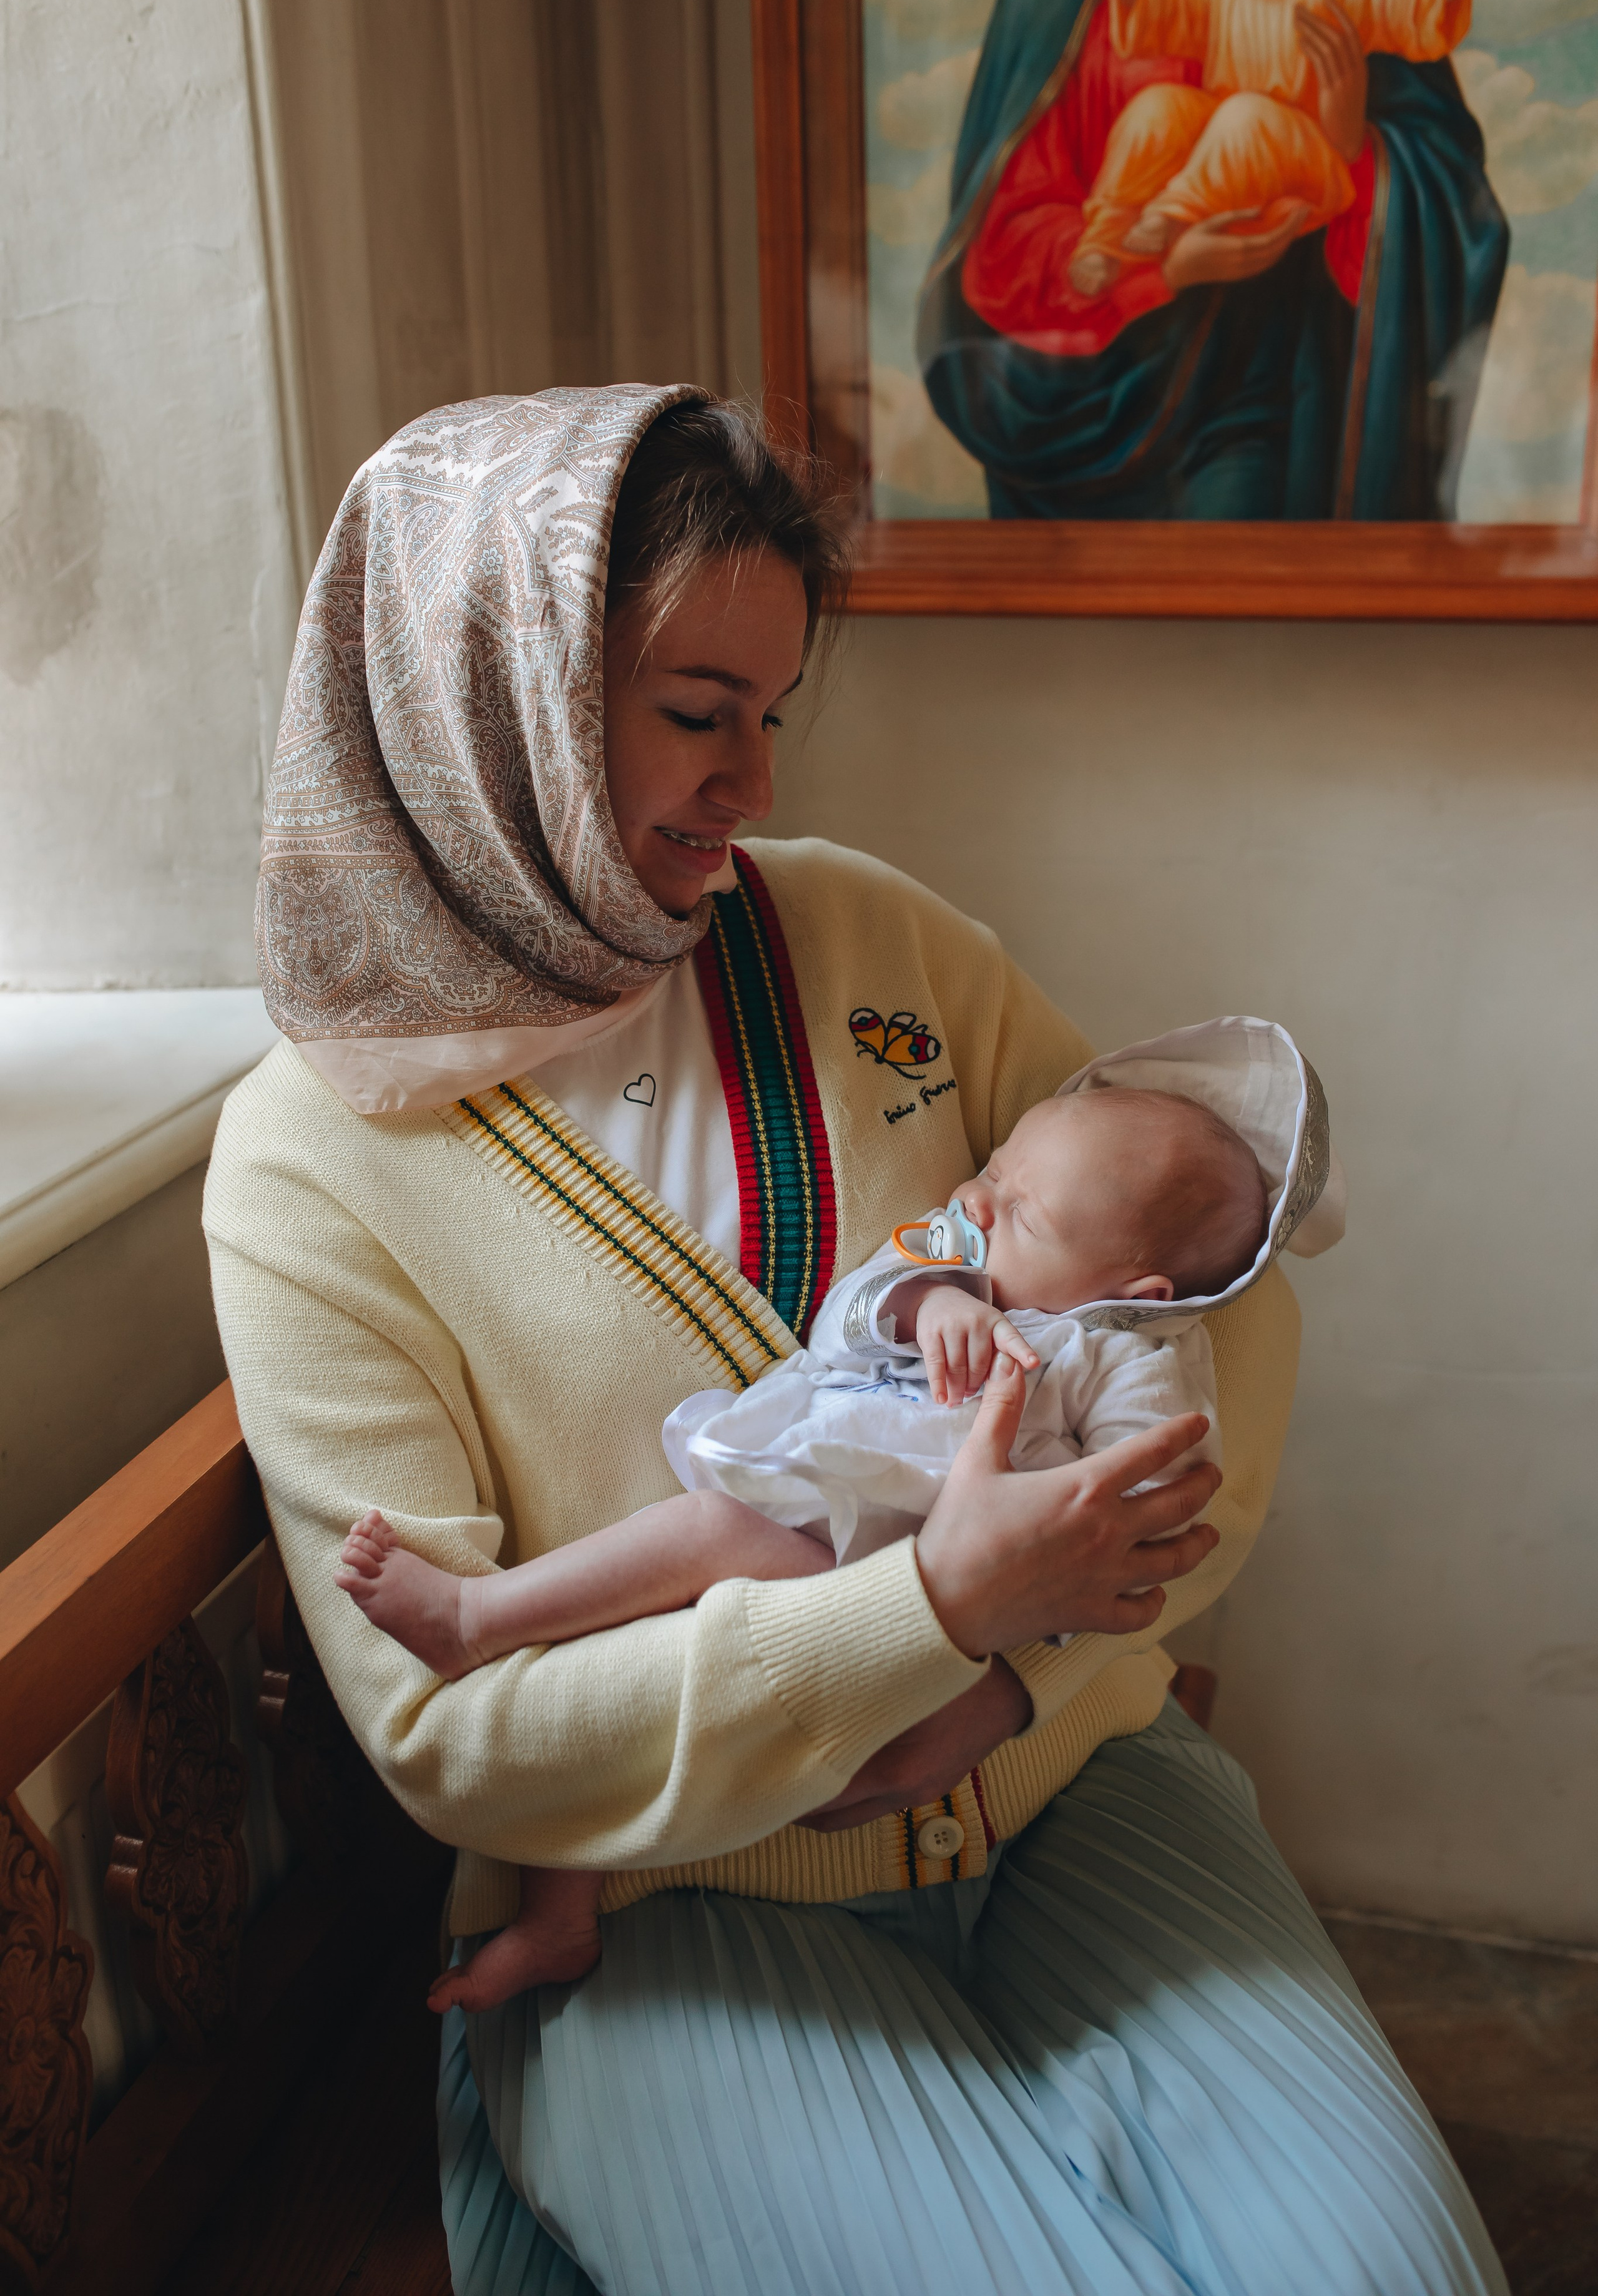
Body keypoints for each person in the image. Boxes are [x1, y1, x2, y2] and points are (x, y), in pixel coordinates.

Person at [207, 385, 1507, 2294]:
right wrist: (925, 1619)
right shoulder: (313, 1166)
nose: (746, 782)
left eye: (769, 713)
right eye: (689, 710)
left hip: (1073, 1787)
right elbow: (449, 1728)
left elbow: (1219, 1294)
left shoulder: (871, 944)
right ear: (482, 690)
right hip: (667, 1897)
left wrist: (1011, 1686)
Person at [334, 1029, 1340, 2020]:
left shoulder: (1127, 1363)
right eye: (991, 1169)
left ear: (1140, 1294)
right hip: (841, 1536)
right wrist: (932, 1300)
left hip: (884, 1578)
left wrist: (1016, 1630)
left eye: (1020, 1211)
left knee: (706, 1534)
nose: (973, 1199)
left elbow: (1141, 1513)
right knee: (629, 1651)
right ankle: (560, 1913)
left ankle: (476, 1618)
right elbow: (850, 1313)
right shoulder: (955, 1269)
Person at [918, 0, 1512, 518]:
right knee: (1160, 116)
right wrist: (1161, 272)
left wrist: (1348, 138)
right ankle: (1126, 227)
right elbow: (1006, 238)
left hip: (1263, 393)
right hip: (1084, 400)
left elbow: (1444, 205)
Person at [1062, 0, 1541, 295]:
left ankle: (1173, 215)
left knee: (1244, 115)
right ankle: (1104, 242)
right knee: (1157, 109)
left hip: (1310, 166)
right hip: (1229, 148)